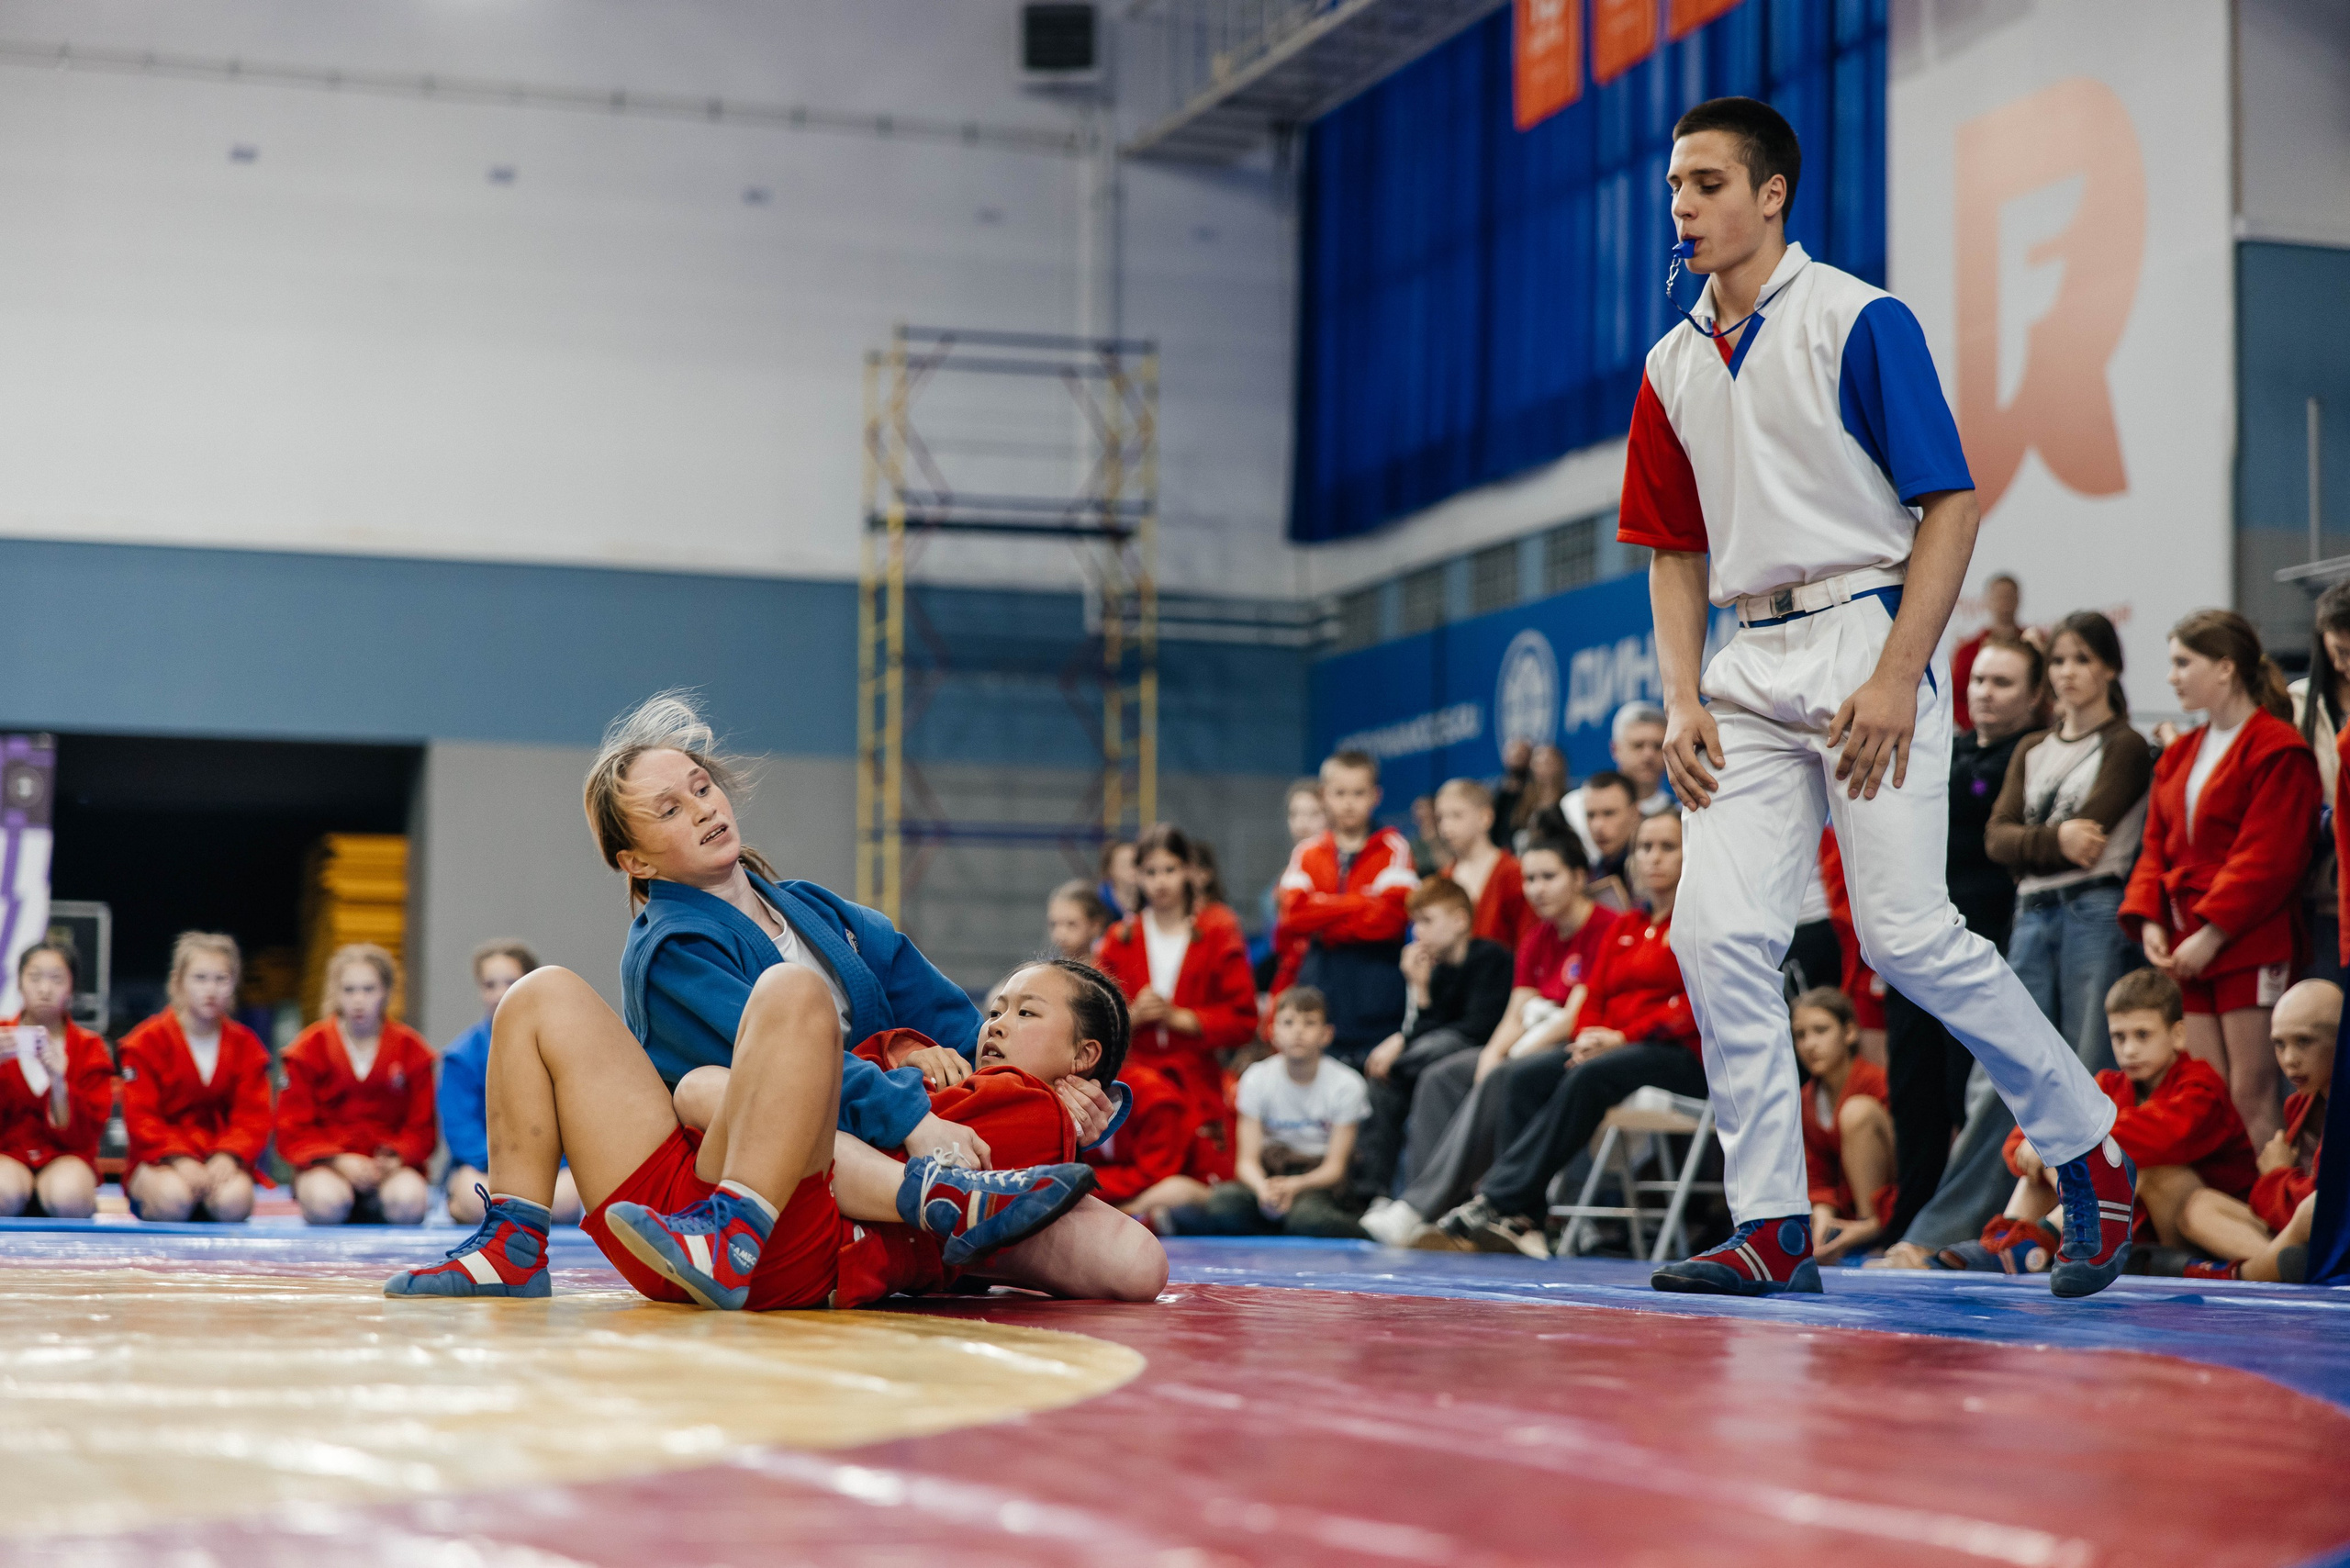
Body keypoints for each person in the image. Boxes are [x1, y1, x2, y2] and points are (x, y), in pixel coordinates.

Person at [1620, 95, 2133, 1298]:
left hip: (1867, 631)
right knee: (1714, 930)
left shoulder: (1860, 319)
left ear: (1770, 194)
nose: (1682, 206)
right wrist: (1681, 696)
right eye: (1676, 187)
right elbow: (1672, 550)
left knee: (1908, 937)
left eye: (1705, 183)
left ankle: (2088, 1151)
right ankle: (1769, 1224)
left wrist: (1901, 670)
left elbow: (1948, 501)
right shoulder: (1670, 362)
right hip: (1744, 669)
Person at [386, 698, 1145, 1307]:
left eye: (701, 786)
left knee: (1132, 1259)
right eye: (670, 811)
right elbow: (791, 1072)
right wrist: (912, 1111)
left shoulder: (823, 913)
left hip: (836, 1190)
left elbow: (964, 1026)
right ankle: (515, 1245)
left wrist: (1071, 1090)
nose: (704, 808)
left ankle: (932, 1222)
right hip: (706, 1200)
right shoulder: (674, 946)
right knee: (544, 995)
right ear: (637, 860)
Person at [1430, 811, 1697, 1256]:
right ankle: (1525, 1221)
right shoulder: (1627, 925)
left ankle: (1496, 1198)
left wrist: (1622, 1038)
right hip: (1614, 1050)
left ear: (1693, 854)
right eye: (1644, 848)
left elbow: (1693, 1008)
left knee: (1591, 1074)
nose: (1653, 858)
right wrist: (1592, 1034)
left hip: (1680, 1055)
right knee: (1524, 1075)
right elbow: (1594, 993)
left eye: (1667, 847)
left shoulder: (1699, 922)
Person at [2121, 610, 2319, 1148]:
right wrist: (2150, 923)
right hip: (2187, 943)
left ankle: (2270, 1219)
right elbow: (2154, 848)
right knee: (2210, 1096)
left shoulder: (2278, 748)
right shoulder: (2181, 753)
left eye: (2184, 662)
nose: (2172, 676)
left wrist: (2211, 933)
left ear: (2226, 668)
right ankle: (2225, 1219)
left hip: (2248, 939)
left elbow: (2270, 858)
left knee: (2254, 1095)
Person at [1362, 834, 1620, 1246]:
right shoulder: (1537, 938)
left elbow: (1573, 1016)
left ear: (1578, 876)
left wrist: (1509, 1056)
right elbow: (1514, 1013)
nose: (1536, 888)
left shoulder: (1608, 927)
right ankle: (1434, 1212)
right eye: (1530, 878)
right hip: (1528, 1045)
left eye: (1548, 876)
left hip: (1574, 1046)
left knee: (1506, 1075)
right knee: (1443, 1075)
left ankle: (1419, 1206)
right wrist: (1494, 1054)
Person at [1876, 633, 2044, 1246]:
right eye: (1979, 681)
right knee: (1912, 1086)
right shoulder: (1939, 750)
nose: (1986, 694)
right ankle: (1910, 1218)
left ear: (2034, 698)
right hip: (1918, 934)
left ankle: (1962, 1222)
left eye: (2003, 684)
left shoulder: (2033, 754)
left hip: (1988, 939)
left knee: (1963, 1087)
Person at [1955, 970, 2255, 1279]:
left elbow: (2159, 1137)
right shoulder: (2108, 1085)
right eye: (2118, 1037)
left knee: (2130, 1162)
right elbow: (2019, 1144)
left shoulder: (2202, 1087)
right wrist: (2046, 1145)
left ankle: (2035, 1241)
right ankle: (2005, 1245)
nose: (2129, 1050)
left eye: (2142, 1035)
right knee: (2048, 1165)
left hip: (2206, 1231)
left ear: (2178, 1034)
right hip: (2140, 1236)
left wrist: (2055, 1142)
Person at [1988, 610, 2151, 1075]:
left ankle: (2090, 1153)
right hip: (2032, 909)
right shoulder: (2031, 748)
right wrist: (2054, 839)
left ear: (2110, 668)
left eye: (2082, 659)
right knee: (2014, 1059)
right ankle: (2019, 1151)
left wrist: (2028, 846)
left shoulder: (2125, 744)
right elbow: (1996, 840)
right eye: (2058, 660)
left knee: (2090, 1058)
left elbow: (2088, 842)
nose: (2068, 671)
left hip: (2093, 908)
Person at [1093, 823, 1260, 1184]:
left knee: (1215, 1197)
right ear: (1136, 877)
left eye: (1169, 869)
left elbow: (1244, 1020)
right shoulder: (1120, 938)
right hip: (1138, 1092)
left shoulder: (1218, 928)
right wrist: (1133, 1016)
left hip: (1199, 1085)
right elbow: (1092, 1022)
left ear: (1189, 871)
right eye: (1150, 872)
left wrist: (1178, 1018)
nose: (1161, 882)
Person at [2151, 977, 2334, 1282]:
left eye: (2304, 1041)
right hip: (2294, 1235)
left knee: (2311, 1211)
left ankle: (2246, 1273)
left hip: (2326, 1230)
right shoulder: (2298, 1104)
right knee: (2197, 1206)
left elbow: (2326, 1209)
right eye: (2279, 1044)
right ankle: (2280, 1266)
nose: (2289, 1059)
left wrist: (2276, 1174)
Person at [1354, 878, 1514, 1204]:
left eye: (1427, 921)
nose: (1418, 932)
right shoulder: (1436, 971)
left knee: (1430, 1054)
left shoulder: (1490, 958)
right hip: (1440, 1052)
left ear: (1459, 920)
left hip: (1482, 1052)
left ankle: (1423, 1200)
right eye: (1415, 923)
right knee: (1384, 1086)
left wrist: (1402, 1047)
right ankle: (1372, 1194)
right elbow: (1428, 1027)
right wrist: (1421, 988)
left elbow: (1476, 1028)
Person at [1166, 988, 1370, 1238]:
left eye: (1309, 1023)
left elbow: (1335, 1168)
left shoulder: (1347, 1084)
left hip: (1317, 1181)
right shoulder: (1256, 1078)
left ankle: (1369, 1231)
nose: (1298, 1031)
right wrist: (1263, 1188)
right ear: (1273, 1032)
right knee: (1224, 1203)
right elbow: (1246, 1162)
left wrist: (1295, 1186)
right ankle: (1280, 1225)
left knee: (1308, 1219)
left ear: (1326, 1034)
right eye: (1288, 1022)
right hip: (1270, 1174)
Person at [1272, 750, 1417, 1065]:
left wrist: (1324, 913)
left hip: (1378, 1002)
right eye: (1340, 793)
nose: (1349, 802)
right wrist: (1363, 903)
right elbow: (1293, 917)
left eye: (1358, 793)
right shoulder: (1307, 852)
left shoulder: (1395, 849)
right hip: (1319, 997)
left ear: (1376, 796)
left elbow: (1389, 922)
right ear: (1325, 796)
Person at [276, 944, 438, 1226]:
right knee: (326, 1202)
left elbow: (422, 1128)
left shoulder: (412, 1051)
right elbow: (292, 1129)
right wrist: (338, 1161)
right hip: (328, 1167)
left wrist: (396, 1158)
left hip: (388, 1168)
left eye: (368, 989)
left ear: (386, 991)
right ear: (335, 993)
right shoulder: (307, 1050)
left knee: (409, 1202)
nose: (359, 1000)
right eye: (349, 990)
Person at [118, 933, 271, 1224]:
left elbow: (253, 1117)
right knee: (172, 1199)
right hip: (161, 1161)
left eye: (220, 979)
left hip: (220, 1163)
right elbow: (141, 1117)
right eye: (200, 978)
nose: (210, 990)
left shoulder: (247, 1046)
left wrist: (228, 1155)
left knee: (235, 1202)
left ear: (234, 983)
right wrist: (179, 1158)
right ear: (178, 981)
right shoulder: (145, 1042)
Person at [442, 939, 582, 1226]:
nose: (499, 993)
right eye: (489, 985)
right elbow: (461, 1131)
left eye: (510, 982)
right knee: (473, 1200)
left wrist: (541, 1171)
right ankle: (464, 1202)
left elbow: (573, 1121)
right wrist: (506, 1171)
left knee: (566, 1203)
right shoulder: (461, 1056)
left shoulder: (560, 1050)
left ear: (529, 985)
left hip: (548, 1169)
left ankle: (512, 1210)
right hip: (485, 1168)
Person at [0, 943, 112, 1219]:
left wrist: (59, 1082)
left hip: (66, 1159)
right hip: (7, 1157)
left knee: (70, 1195)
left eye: (56, 979)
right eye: (35, 977)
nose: (44, 989)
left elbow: (86, 1136)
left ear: (71, 988)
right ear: (19, 983)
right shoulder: (2, 1037)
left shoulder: (90, 1047)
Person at [1789, 988, 1894, 1264]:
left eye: (1821, 1030)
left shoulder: (1878, 1082)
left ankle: (1872, 1223)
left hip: (1891, 1208)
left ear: (1849, 1032)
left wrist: (1873, 1220)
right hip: (1843, 1215)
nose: (1810, 1044)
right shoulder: (1804, 1099)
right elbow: (1817, 1172)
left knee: (1857, 1112)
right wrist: (1822, 1219)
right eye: (1800, 1035)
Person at [2292, 582, 2350, 983]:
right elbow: (2289, 803)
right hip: (2325, 895)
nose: (2346, 663)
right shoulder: (2301, 703)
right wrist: (2328, 822)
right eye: (2340, 652)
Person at [1561, 704, 1674, 865]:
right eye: (1638, 745)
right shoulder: (1573, 809)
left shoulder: (1679, 815)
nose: (1648, 755)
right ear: (1615, 749)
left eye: (1658, 746)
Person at [1432, 778, 1530, 955]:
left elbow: (1527, 943)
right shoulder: (1442, 880)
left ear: (1485, 817)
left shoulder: (1514, 872)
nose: (1446, 826)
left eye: (1457, 815)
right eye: (1440, 818)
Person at [1258, 778, 1327, 983]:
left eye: (1313, 814)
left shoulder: (1341, 870)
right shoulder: (1282, 879)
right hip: (1291, 975)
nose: (1301, 823)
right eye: (1294, 814)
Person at [1951, 573, 2021, 734]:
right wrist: (1978, 729)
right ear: (1987, 600)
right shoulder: (1967, 651)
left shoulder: (2034, 645)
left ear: (2018, 599)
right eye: (1999, 596)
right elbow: (1956, 699)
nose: (2004, 603)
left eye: (2009, 596)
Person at [1572, 771, 1641, 902]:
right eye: (1591, 815)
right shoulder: (1588, 875)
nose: (1597, 826)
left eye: (1609, 813)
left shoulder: (1654, 871)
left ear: (1634, 814)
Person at [1493, 742, 1569, 851]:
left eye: (1547, 762)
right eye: (1537, 763)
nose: (1542, 768)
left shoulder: (1568, 799)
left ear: (1559, 764)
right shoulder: (1518, 799)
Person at [1046, 879, 1113, 965]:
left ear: (1096, 925)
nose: (1060, 933)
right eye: (1054, 924)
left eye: (1071, 924)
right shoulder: (1048, 972)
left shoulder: (1113, 969)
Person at [1100, 841, 1140, 922]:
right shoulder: (1101, 902)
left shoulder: (1150, 898)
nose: (1133, 869)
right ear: (1110, 869)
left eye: (1136, 863)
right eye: (1124, 864)